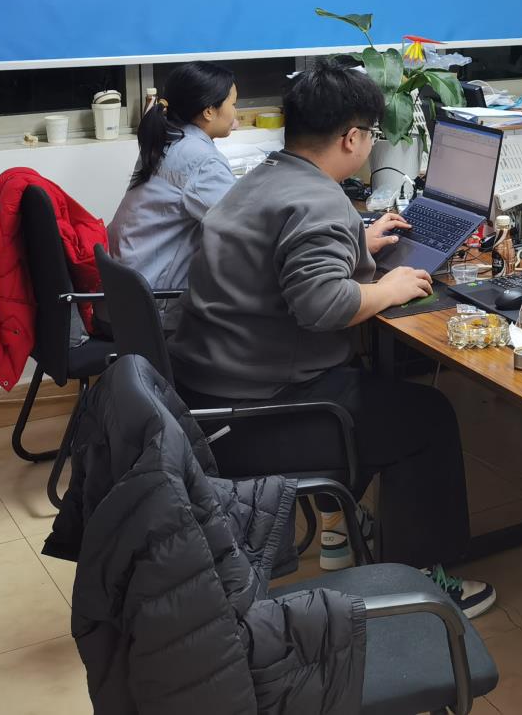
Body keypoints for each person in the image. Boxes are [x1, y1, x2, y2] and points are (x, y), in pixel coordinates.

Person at [169, 61, 495, 617]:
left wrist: (357, 242)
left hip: (209, 390)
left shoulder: (266, 178)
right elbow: (322, 306)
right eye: (371, 134)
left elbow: (279, 259)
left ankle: (341, 532)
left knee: (368, 386)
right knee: (428, 418)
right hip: (257, 415)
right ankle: (423, 584)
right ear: (352, 138)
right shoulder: (320, 202)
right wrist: (387, 288)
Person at [107, 62, 238, 327]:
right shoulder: (201, 159)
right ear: (209, 111)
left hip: (121, 295)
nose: (236, 111)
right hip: (152, 308)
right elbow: (243, 227)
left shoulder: (167, 139)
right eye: (233, 104)